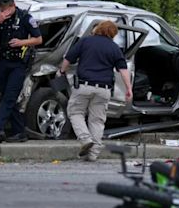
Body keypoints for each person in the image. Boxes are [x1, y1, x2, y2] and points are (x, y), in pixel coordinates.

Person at [57, 20, 132, 161]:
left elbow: (68, 58)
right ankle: (93, 154)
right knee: (97, 121)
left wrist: (61, 71)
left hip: (84, 86)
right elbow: (123, 69)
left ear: (98, 29)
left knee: (75, 112)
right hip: (104, 89)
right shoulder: (115, 48)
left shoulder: (86, 41)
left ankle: (85, 139)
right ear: (113, 33)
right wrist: (128, 88)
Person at [0, 0, 42, 143]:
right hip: (3, 61)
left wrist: (22, 42)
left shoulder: (25, 17)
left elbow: (38, 39)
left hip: (19, 63)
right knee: (7, 97)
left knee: (10, 96)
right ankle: (20, 131)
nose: (6, 12)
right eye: (2, 9)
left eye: (8, 9)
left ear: (13, 5)